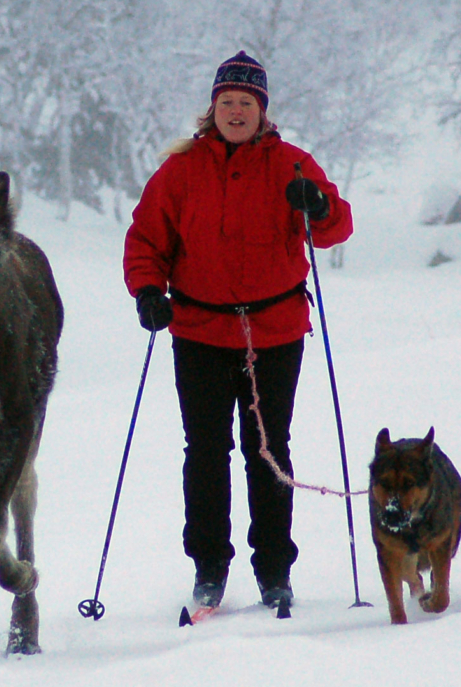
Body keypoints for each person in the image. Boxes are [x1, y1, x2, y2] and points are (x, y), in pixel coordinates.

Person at [123, 50, 353, 610]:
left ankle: (275, 571)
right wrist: (148, 291)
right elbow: (147, 239)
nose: (235, 111)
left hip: (274, 334)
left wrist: (317, 205)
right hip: (199, 331)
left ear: (262, 110)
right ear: (213, 107)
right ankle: (208, 568)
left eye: (245, 103)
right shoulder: (180, 169)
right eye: (226, 101)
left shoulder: (293, 164)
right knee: (204, 450)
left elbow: (335, 228)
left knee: (268, 452)